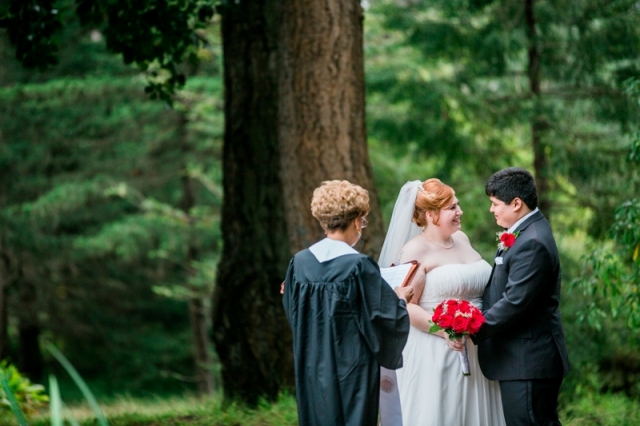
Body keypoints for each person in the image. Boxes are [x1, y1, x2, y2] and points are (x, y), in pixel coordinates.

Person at [282, 180, 412, 426]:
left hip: (312, 364)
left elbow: (293, 313)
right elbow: (386, 318)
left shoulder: (299, 263)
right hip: (352, 369)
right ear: (355, 221)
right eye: (362, 221)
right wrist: (401, 299)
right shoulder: (358, 266)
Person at [378, 179, 506, 426]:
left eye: (457, 205)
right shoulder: (414, 251)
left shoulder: (463, 239)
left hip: (478, 348)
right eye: (452, 208)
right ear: (430, 214)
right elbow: (407, 305)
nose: (460, 212)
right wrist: (445, 331)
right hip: (438, 351)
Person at [469, 167, 570, 425]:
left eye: (494, 204)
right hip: (521, 359)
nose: (491, 209)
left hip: (529, 360)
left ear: (516, 203)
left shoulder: (532, 241)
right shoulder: (526, 230)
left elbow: (515, 302)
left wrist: (472, 327)